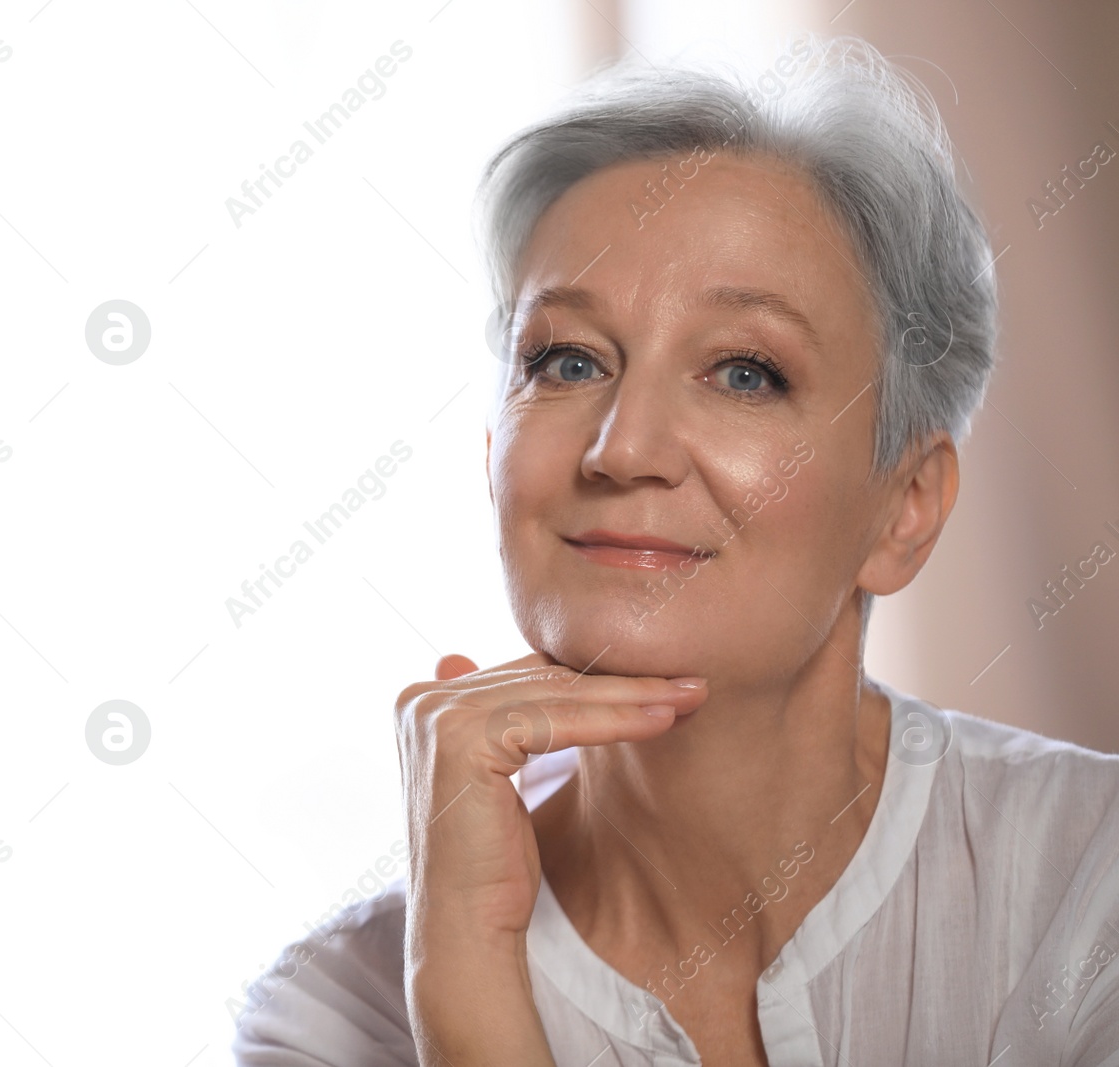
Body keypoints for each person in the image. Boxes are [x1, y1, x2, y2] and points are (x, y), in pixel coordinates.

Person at [231, 34, 1119, 1066]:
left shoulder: (1090, 888)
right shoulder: (335, 1013)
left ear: (903, 507)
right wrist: (463, 976)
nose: (622, 448)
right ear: (491, 458)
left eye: (744, 372)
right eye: (566, 360)